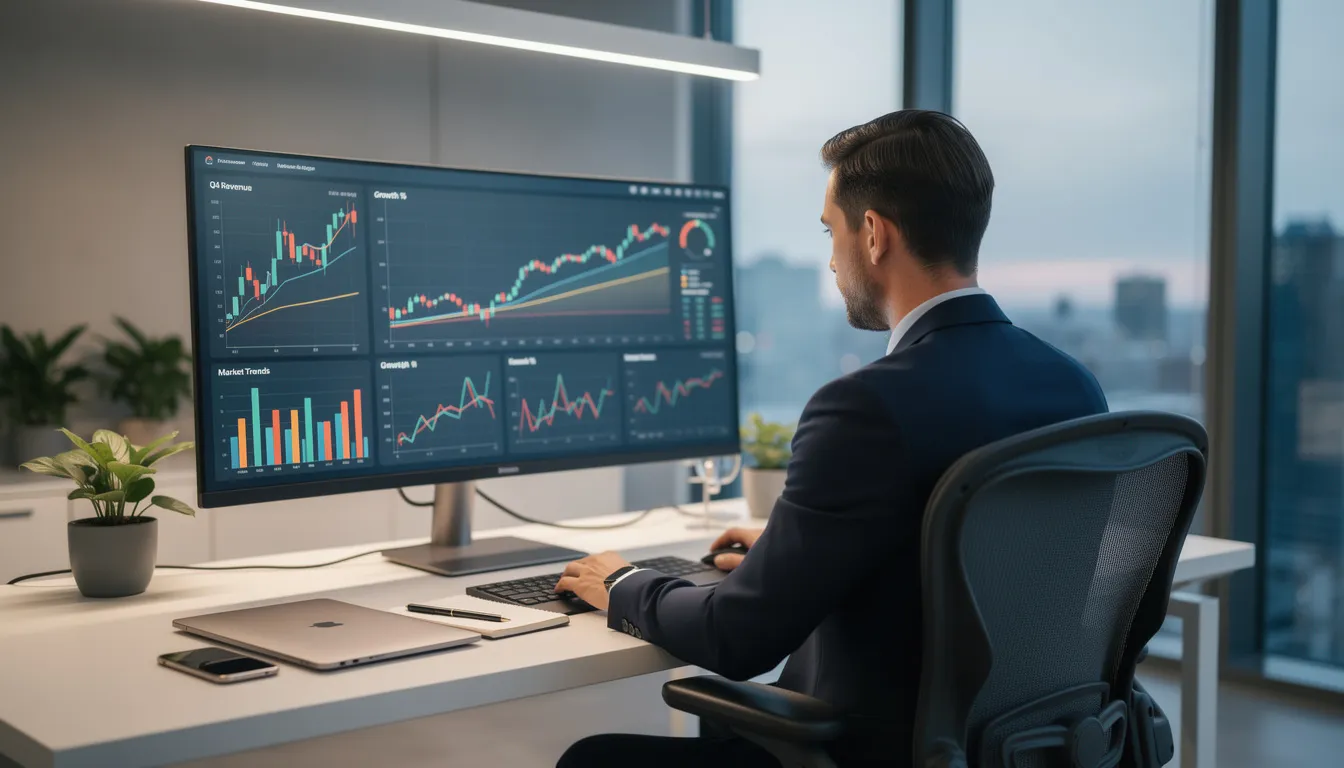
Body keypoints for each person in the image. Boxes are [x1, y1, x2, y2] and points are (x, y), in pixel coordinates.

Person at [554, 110, 1108, 767]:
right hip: (1014, 746)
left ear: (873, 234)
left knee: (592, 759)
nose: (831, 260)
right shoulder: (1074, 387)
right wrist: (802, 552)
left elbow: (737, 638)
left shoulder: (864, 406)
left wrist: (624, 582)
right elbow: (982, 555)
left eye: (831, 232)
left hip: (872, 749)